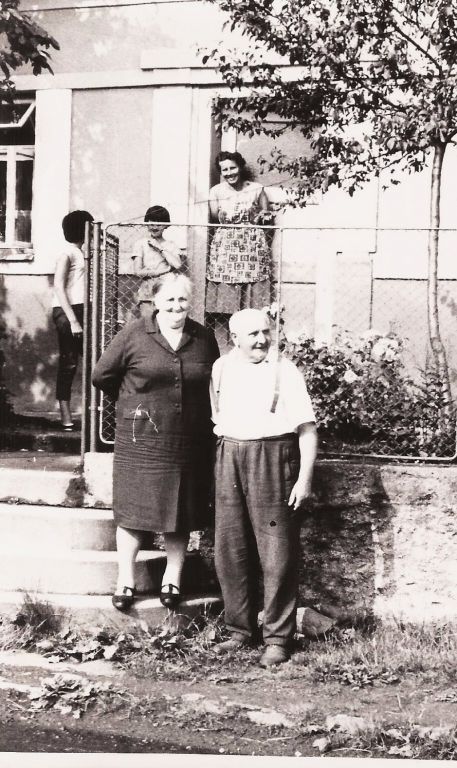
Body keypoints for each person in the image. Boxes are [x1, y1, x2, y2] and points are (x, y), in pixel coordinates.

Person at [92, 272, 219, 612]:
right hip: (141, 439)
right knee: (133, 511)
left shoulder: (203, 337)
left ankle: (172, 578)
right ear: (155, 301)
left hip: (188, 440)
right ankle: (126, 580)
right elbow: (101, 375)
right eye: (170, 299)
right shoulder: (133, 334)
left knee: (180, 511)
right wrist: (134, 402)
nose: (177, 306)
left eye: (183, 299)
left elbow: (213, 381)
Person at [210, 308, 317, 667]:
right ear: (234, 338)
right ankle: (239, 630)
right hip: (229, 454)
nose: (261, 340)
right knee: (230, 547)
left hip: (273, 457)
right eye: (253, 334)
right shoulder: (220, 368)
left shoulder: (285, 371)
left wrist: (304, 478)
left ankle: (277, 638)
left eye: (265, 332)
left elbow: (307, 430)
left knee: (276, 552)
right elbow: (217, 417)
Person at [206, 151, 274, 319]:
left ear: (240, 167)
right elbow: (214, 218)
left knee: (253, 292)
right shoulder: (216, 191)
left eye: (233, 168)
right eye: (225, 170)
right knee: (227, 292)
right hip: (226, 246)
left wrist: (263, 216)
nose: (229, 173)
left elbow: (266, 215)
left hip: (252, 246)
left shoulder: (256, 189)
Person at [52, 209, 94, 430]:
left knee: (91, 361)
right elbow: (59, 287)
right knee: (69, 363)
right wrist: (74, 321)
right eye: (90, 228)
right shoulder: (66, 253)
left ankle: (93, 415)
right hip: (68, 311)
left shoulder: (80, 253)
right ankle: (65, 416)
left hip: (81, 309)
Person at [132, 205, 183, 278]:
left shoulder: (172, 245)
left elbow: (177, 265)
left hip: (166, 283)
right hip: (148, 283)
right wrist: (165, 270)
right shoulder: (140, 243)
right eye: (152, 224)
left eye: (159, 225)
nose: (155, 227)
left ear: (166, 225)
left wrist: (160, 248)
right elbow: (137, 272)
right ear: (147, 224)